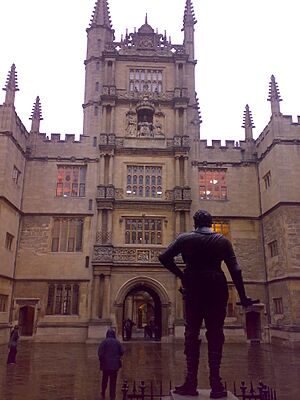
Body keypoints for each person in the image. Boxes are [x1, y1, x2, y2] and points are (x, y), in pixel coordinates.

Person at [158, 210, 257, 399]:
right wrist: (243, 297)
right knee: (215, 333)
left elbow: (164, 258)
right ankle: (216, 383)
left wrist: (182, 276)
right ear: (211, 223)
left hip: (194, 287)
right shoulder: (222, 241)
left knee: (191, 333)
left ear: (195, 223)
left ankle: (191, 382)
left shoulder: (185, 238)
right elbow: (235, 269)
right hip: (217, 287)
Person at [98, 328, 124, 400]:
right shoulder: (117, 342)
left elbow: (100, 353)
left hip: (105, 365)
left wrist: (102, 361)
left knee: (104, 379)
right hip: (114, 366)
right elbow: (122, 351)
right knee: (113, 381)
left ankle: (103, 391)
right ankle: (112, 396)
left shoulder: (104, 342)